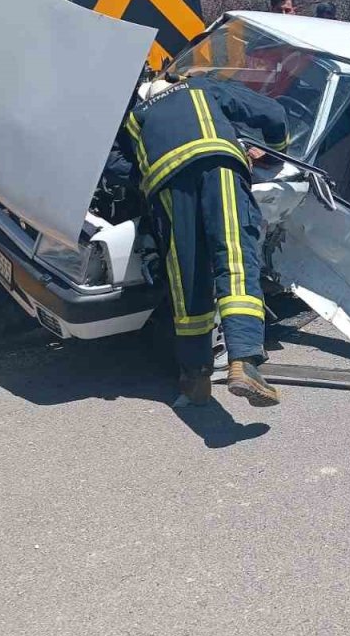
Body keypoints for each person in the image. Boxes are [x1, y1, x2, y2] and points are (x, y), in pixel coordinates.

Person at [119, 76, 291, 408]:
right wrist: (273, 156)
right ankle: (244, 360)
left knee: (188, 279)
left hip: (166, 187)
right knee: (235, 256)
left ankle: (194, 375)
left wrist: (145, 180)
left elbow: (116, 167)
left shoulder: (134, 119)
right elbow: (273, 113)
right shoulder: (199, 87)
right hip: (218, 165)